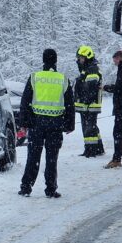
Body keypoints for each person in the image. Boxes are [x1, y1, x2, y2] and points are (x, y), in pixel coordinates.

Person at [19, 48, 76, 198]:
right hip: (55, 124)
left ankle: (26, 187)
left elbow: (25, 101)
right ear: (56, 61)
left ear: (43, 60)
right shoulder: (63, 79)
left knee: (33, 157)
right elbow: (70, 104)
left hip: (37, 123)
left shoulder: (35, 77)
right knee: (52, 159)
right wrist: (70, 124)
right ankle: (51, 189)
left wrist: (24, 122)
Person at [73, 45, 105, 157]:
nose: (79, 60)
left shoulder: (91, 69)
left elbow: (91, 88)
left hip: (89, 105)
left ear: (87, 57)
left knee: (88, 128)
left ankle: (90, 150)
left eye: (81, 58)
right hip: (87, 104)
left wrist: (85, 101)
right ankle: (98, 148)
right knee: (92, 127)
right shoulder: (87, 69)